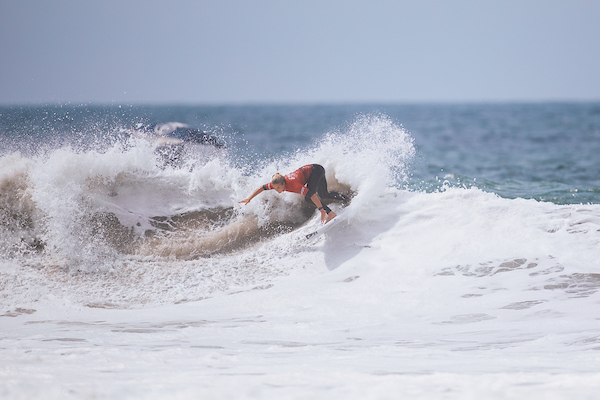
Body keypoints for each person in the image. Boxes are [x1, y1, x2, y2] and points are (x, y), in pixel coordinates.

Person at [239, 164, 348, 224]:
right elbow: (262, 188)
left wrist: (321, 210)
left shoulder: (293, 185)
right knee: (324, 194)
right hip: (316, 169)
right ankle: (346, 198)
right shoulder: (276, 183)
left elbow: (312, 196)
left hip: (316, 171)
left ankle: (331, 214)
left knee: (308, 198)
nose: (276, 190)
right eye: (274, 188)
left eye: (278, 188)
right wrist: (249, 198)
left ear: (283, 183)